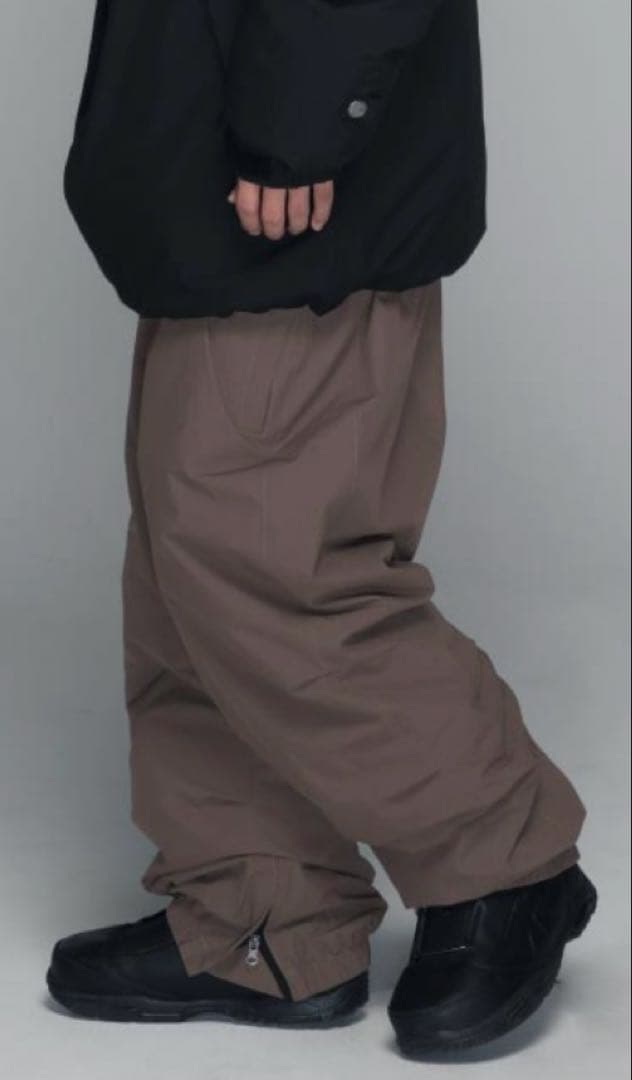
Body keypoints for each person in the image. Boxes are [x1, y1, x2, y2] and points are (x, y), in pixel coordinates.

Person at [46, 0, 596, 1058]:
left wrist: (297, 125)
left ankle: (503, 855)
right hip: (219, 175)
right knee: (191, 582)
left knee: (275, 566)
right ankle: (264, 919)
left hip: (295, 182)